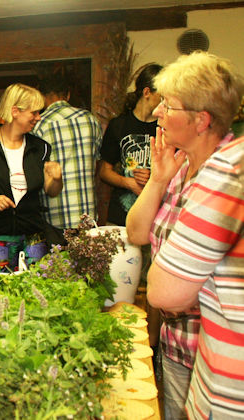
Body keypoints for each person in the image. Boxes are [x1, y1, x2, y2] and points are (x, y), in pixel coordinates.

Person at [126, 52, 244, 419]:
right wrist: (159, 178)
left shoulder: (224, 176)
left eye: (168, 105)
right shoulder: (180, 169)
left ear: (200, 120)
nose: (158, 111)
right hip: (180, 344)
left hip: (215, 347)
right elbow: (136, 233)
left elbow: (166, 292)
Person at [0, 83, 63, 272]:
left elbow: (51, 191)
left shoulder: (40, 148)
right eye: (33, 113)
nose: (38, 117)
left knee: (36, 291)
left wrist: (57, 179)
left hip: (33, 236)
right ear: (15, 111)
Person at [32, 74, 103, 229]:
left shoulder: (38, 126)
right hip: (88, 214)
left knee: (58, 254)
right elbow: (97, 163)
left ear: (42, 97)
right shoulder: (90, 119)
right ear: (68, 95)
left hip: (53, 217)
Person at [99, 63, 163, 225]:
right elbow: (104, 171)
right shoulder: (119, 125)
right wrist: (128, 182)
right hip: (121, 217)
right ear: (147, 92)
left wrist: (154, 175)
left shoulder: (166, 127)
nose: (165, 102)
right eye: (161, 96)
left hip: (157, 217)